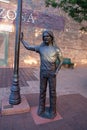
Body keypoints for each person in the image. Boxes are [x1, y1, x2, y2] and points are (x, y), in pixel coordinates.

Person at [20, 30, 63, 119]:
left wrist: (56, 71)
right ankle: (41, 109)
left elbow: (61, 60)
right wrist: (22, 40)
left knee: (52, 92)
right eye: (44, 37)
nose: (46, 38)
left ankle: (52, 110)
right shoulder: (41, 48)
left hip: (52, 74)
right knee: (42, 91)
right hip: (43, 73)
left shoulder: (56, 49)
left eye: (47, 36)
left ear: (51, 37)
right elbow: (28, 47)